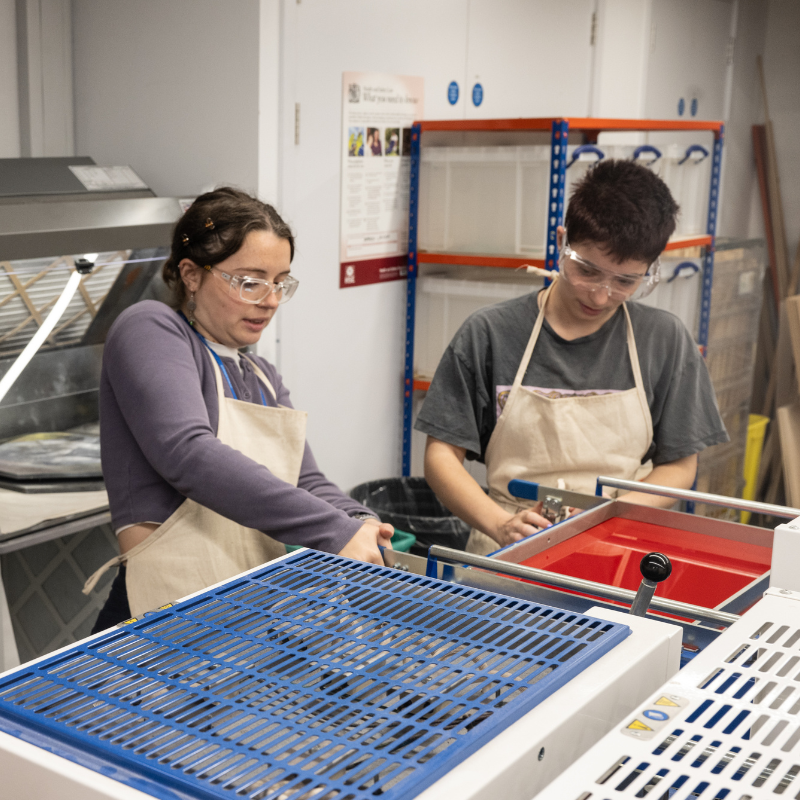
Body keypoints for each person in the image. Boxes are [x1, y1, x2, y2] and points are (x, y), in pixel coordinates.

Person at [86, 187, 393, 629]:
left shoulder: (262, 374)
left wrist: (361, 523)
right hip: (163, 614)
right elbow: (188, 453)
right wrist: (333, 531)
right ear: (191, 275)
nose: (269, 300)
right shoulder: (151, 328)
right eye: (250, 282)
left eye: (280, 282)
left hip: (250, 607)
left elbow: (306, 480)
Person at [415, 160, 728, 556]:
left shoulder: (663, 340)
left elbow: (681, 465)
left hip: (618, 551)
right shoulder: (491, 333)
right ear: (562, 241)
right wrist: (500, 523)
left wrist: (609, 518)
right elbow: (441, 456)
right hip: (510, 550)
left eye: (625, 281)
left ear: (650, 271)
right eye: (587, 270)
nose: (600, 295)